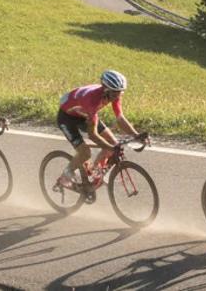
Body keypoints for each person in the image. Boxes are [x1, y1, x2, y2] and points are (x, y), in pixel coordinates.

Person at [56, 70, 147, 201]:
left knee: (113, 144)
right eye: (115, 92)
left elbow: (120, 118)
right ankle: (66, 175)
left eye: (120, 92)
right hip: (68, 118)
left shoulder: (113, 93)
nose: (118, 95)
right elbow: (93, 135)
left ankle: (94, 172)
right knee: (85, 153)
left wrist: (136, 135)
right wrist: (111, 147)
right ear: (106, 90)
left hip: (85, 113)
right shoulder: (92, 100)